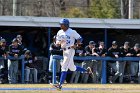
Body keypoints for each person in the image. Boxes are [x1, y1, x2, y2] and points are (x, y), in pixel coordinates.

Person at [53, 18, 92, 90]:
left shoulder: (72, 32)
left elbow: (80, 38)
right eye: (61, 24)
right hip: (64, 51)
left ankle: (60, 85)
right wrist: (57, 43)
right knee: (72, 68)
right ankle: (86, 70)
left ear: (66, 25)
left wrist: (76, 45)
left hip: (70, 50)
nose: (61, 26)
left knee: (64, 67)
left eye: (62, 24)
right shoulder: (59, 32)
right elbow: (58, 42)